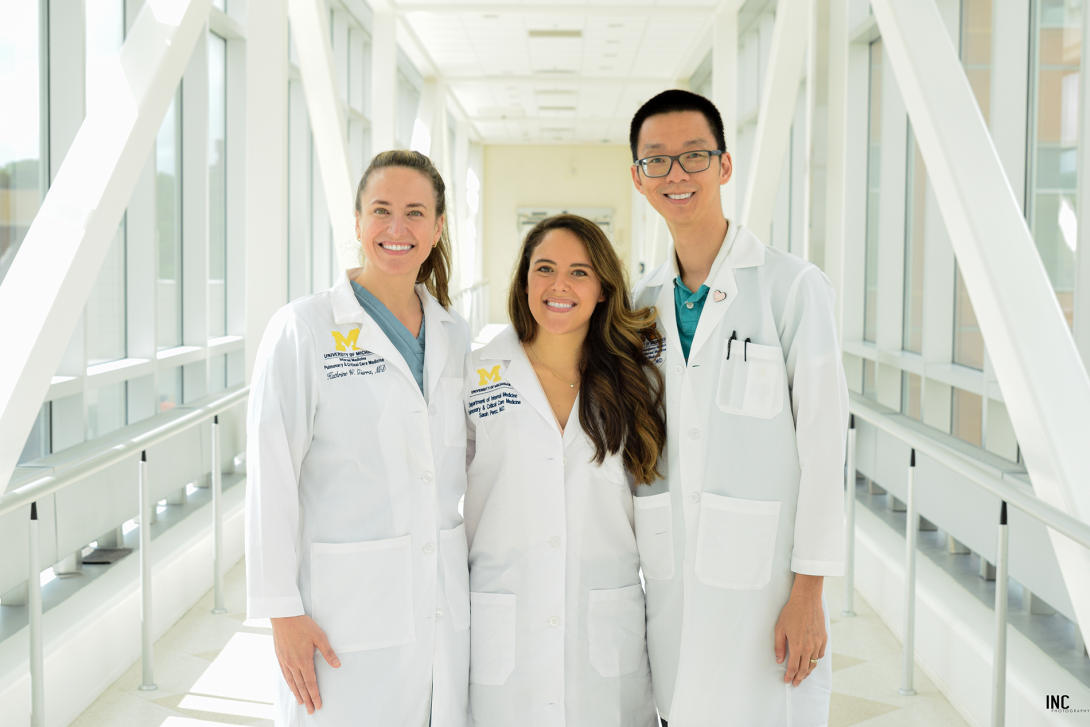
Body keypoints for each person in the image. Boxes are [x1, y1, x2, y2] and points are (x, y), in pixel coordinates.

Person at [628, 89, 849, 726]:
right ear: (639, 179)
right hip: (673, 588)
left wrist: (810, 591)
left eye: (694, 156)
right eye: (658, 161)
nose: (677, 175)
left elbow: (824, 445)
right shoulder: (640, 304)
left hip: (768, 589)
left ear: (724, 166)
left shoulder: (792, 288)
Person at [245, 150, 471, 726]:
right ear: (357, 221)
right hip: (340, 612)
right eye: (382, 211)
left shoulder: (454, 335)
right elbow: (271, 475)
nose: (398, 229)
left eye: (416, 212)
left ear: (439, 226)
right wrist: (281, 613)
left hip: (439, 601)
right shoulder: (305, 328)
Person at [463, 214, 666, 727]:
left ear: (602, 288)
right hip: (502, 632)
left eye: (579, 272)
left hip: (605, 636)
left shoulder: (633, 381)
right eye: (544, 268)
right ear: (524, 280)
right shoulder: (476, 375)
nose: (559, 285)